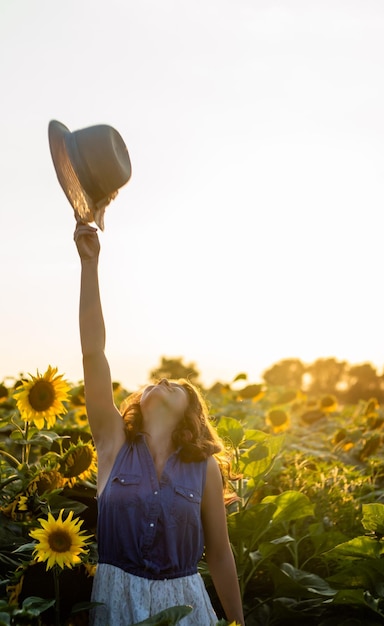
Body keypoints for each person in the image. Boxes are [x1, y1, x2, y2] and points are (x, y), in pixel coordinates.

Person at [74, 220, 245, 626]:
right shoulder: (113, 442)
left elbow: (219, 553)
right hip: (117, 602)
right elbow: (92, 354)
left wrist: (238, 621)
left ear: (191, 412)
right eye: (154, 382)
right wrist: (90, 265)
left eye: (177, 385)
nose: (163, 380)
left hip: (185, 606)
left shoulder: (202, 468)